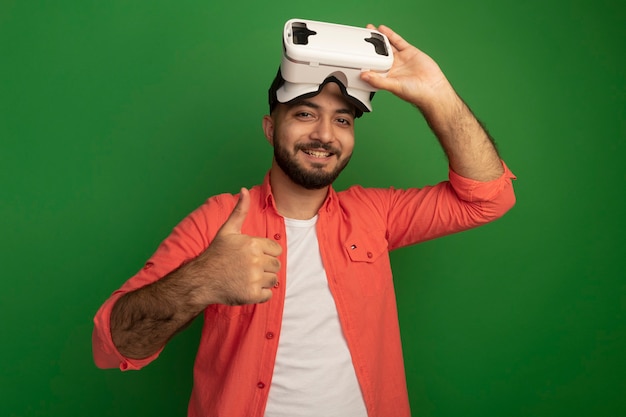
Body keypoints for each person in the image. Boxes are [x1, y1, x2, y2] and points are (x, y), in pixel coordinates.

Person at [93, 23, 516, 417]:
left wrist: (436, 93)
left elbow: (487, 198)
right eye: (305, 114)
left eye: (343, 120)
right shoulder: (218, 222)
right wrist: (203, 280)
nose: (326, 135)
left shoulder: (376, 214)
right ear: (269, 128)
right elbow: (114, 345)